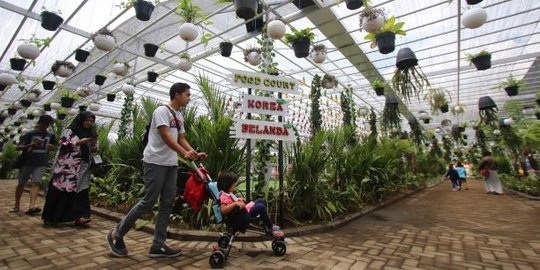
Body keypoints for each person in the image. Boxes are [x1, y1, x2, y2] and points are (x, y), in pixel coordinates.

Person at [107, 82, 207, 258]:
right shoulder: (161, 111)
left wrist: (193, 153)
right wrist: (184, 153)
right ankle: (117, 234)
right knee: (148, 201)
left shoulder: (179, 115)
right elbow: (166, 136)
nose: (189, 98)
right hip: (155, 161)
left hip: (170, 163)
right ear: (176, 94)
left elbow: (181, 138)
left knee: (167, 202)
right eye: (187, 94)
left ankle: (158, 245)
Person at [42, 111, 98, 225]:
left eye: (92, 121)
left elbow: (94, 149)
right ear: (81, 119)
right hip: (67, 166)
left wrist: (93, 144)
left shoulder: (92, 133)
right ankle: (52, 217)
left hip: (83, 165)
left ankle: (80, 216)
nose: (89, 123)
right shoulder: (70, 131)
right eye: (87, 120)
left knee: (81, 190)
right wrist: (78, 142)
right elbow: (62, 144)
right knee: (61, 189)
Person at [10, 115, 55, 215]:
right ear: (40, 122)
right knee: (21, 184)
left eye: (48, 124)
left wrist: (51, 147)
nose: (46, 126)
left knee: (36, 182)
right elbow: (18, 147)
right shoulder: (30, 134)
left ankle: (32, 206)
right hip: (27, 162)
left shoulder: (50, 135)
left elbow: (53, 147)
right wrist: (30, 145)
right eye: (44, 124)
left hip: (41, 162)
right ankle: (17, 205)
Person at [217, 171, 284, 237]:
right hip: (241, 217)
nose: (235, 185)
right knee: (260, 207)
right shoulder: (223, 196)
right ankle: (270, 227)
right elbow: (223, 210)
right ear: (226, 185)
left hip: (243, 213)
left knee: (261, 200)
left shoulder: (228, 194)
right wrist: (235, 204)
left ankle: (266, 222)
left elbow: (231, 201)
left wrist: (238, 199)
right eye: (233, 184)